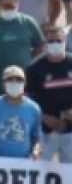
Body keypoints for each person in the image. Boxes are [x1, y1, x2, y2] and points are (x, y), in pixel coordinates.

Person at [0, 0, 43, 101]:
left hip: (24, 84)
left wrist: (29, 61)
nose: (9, 9)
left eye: (12, 6)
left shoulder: (28, 22)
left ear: (18, 5)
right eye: (6, 6)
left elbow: (40, 45)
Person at [26, 25, 72, 162]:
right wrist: (44, 117)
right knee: (39, 171)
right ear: (45, 43)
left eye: (58, 41)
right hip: (45, 130)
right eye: (51, 41)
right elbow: (27, 98)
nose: (55, 44)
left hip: (70, 131)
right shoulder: (34, 68)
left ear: (65, 41)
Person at [0, 66, 42, 159]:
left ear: (25, 83)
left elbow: (36, 137)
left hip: (24, 165)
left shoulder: (34, 108)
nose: (14, 82)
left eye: (19, 79)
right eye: (9, 79)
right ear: (3, 83)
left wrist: (36, 150)